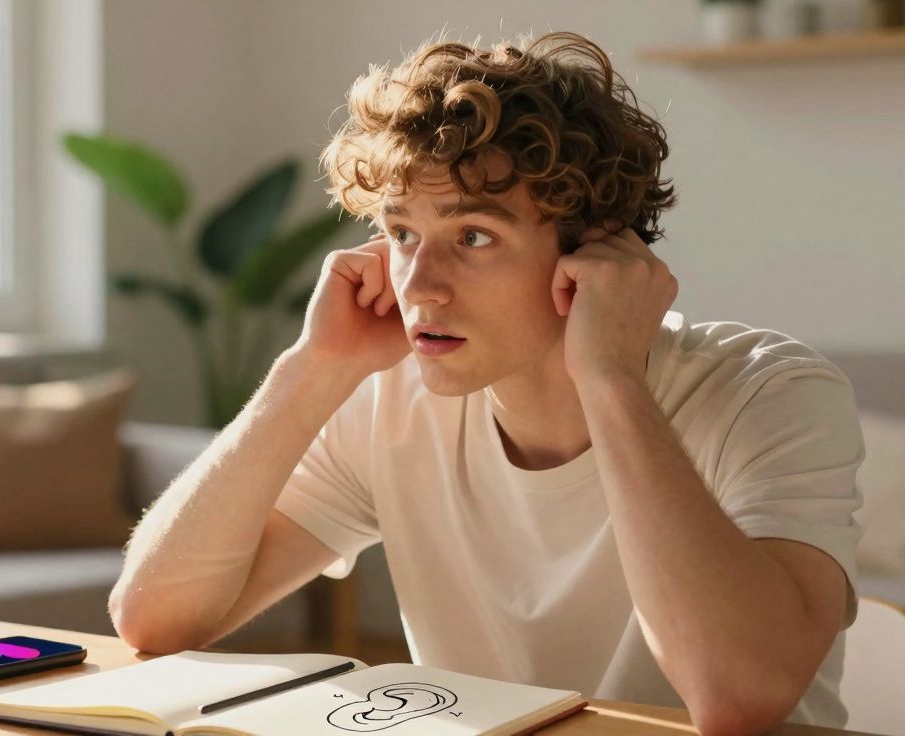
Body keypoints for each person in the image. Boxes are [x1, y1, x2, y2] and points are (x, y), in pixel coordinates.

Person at [108, 30, 865, 735]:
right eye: (402, 233)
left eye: (473, 236)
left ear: (597, 251)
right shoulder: (390, 400)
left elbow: (738, 699)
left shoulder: (768, 394)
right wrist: (314, 366)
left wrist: (610, 380)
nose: (418, 285)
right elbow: (154, 617)